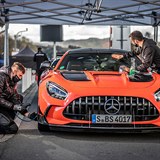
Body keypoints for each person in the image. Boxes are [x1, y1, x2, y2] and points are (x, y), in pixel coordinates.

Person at [0, 62, 37, 134]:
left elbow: (15, 98)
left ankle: (7, 120)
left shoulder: (12, 80)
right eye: (20, 75)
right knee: (12, 129)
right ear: (14, 71)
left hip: (2, 105)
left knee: (20, 97)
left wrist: (28, 114)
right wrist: (14, 107)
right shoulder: (1, 76)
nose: (20, 78)